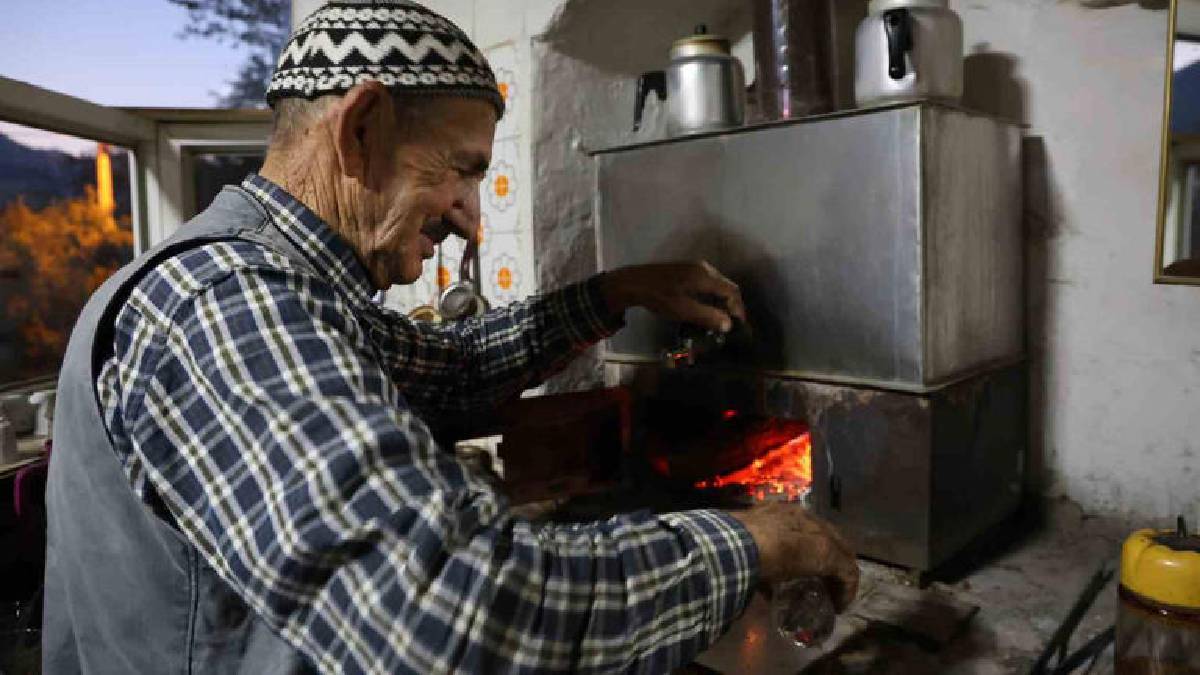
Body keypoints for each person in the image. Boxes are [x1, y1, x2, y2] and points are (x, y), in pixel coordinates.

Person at [42, 1, 858, 673]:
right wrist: (747, 542)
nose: (473, 213)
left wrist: (618, 292)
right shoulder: (223, 303)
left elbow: (455, 370)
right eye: (463, 169)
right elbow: (453, 616)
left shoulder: (300, 294)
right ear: (362, 129)